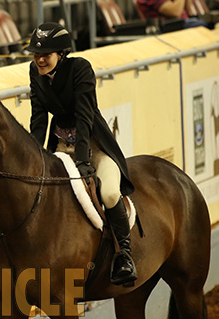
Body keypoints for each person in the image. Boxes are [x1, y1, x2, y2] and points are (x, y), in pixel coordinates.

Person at [27, 22, 137, 286]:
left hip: (94, 145)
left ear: (61, 54)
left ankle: (124, 254)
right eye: (36, 54)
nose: (40, 59)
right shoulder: (35, 71)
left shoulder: (80, 69)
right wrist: (34, 155)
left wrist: (84, 158)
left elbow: (84, 116)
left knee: (109, 192)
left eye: (47, 55)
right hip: (60, 146)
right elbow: (39, 118)